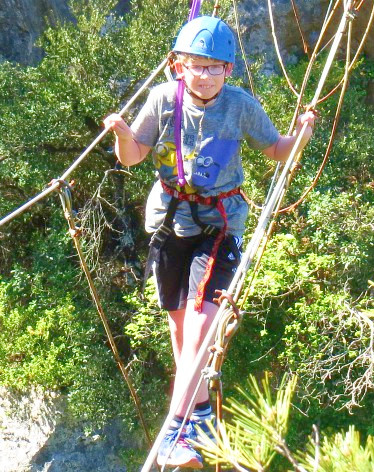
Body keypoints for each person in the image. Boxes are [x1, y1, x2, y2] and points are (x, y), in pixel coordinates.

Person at [103, 15, 316, 469]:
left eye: (213, 67)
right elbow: (134, 156)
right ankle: (201, 416)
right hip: (169, 222)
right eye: (195, 65)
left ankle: (174, 430)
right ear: (179, 65)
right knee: (180, 332)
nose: (203, 74)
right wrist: (123, 134)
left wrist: (301, 135)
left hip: (218, 225)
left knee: (200, 328)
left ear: (228, 71)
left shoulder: (239, 106)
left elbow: (276, 150)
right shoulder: (163, 100)